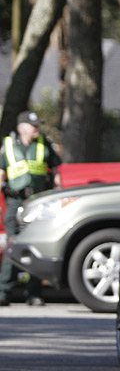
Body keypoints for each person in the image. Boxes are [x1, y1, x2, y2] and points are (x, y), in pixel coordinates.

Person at [0, 111, 62, 306]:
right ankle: (4, 292)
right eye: (32, 125)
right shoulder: (8, 146)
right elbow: (1, 174)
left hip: (39, 202)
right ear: (22, 127)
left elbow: (56, 176)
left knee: (35, 247)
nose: (37, 128)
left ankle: (34, 294)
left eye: (37, 125)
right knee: (12, 245)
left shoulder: (44, 145)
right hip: (15, 201)